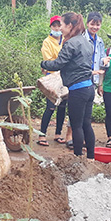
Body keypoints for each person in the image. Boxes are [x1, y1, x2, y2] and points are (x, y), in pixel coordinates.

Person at [41, 12, 95, 159]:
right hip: (89, 88)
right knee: (86, 124)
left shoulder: (71, 43)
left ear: (70, 26)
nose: (61, 29)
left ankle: (78, 159)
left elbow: (58, 63)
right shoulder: (87, 42)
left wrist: (43, 64)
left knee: (77, 126)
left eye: (63, 25)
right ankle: (91, 157)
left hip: (78, 89)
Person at [65, 12, 105, 149]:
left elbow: (100, 62)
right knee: (81, 121)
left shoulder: (99, 42)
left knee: (79, 121)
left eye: (97, 24)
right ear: (87, 24)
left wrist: (100, 83)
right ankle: (86, 153)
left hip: (86, 82)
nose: (95, 27)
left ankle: (79, 155)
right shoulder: (82, 39)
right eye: (92, 24)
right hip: (84, 80)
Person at [38, 15, 67, 146]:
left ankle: (58, 133)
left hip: (64, 77)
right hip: (53, 77)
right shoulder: (47, 42)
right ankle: (42, 135)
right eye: (54, 25)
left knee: (62, 106)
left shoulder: (65, 40)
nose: (56, 28)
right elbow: (49, 61)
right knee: (50, 107)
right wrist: (60, 64)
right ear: (51, 27)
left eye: (58, 25)